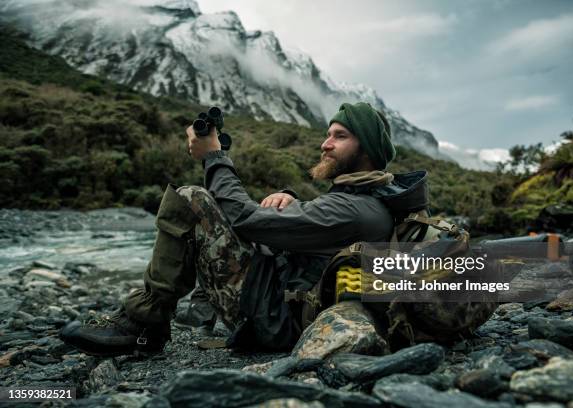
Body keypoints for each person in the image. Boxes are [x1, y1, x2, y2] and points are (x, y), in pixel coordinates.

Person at [59, 102, 399, 356]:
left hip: (277, 322)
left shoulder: (353, 208)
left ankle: (143, 322)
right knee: (230, 208)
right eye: (327, 134)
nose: (325, 144)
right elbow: (320, 228)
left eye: (339, 136)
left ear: (366, 148)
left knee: (194, 198)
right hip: (291, 306)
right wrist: (290, 198)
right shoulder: (371, 200)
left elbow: (246, 220)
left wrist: (215, 157)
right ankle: (176, 313)